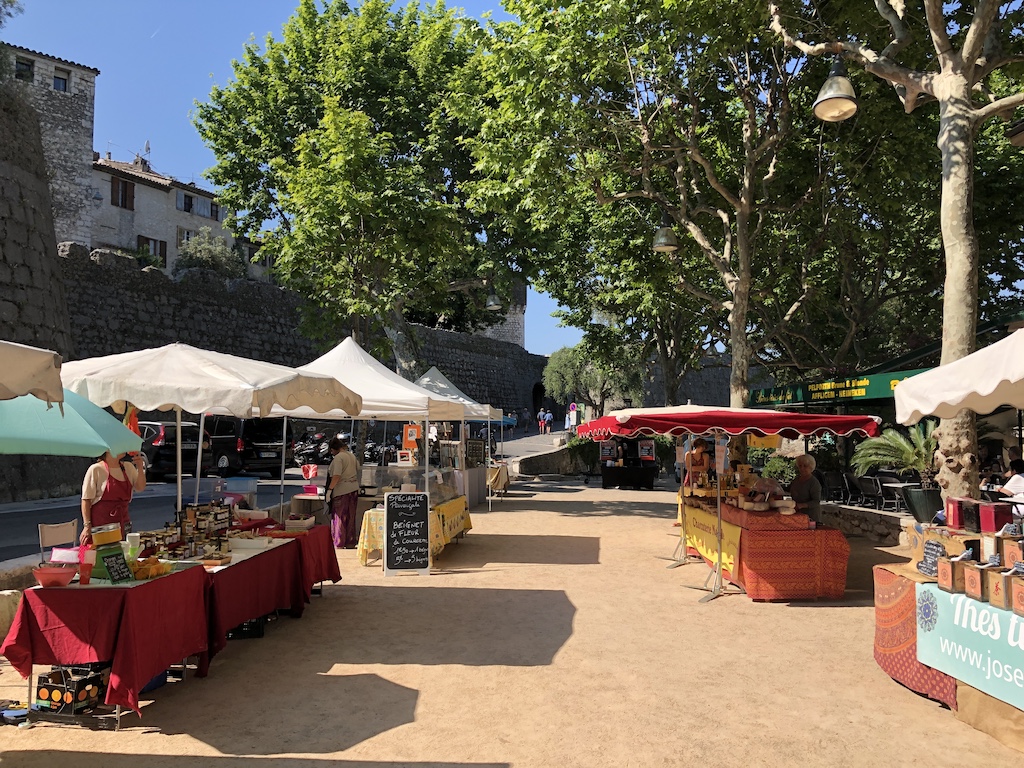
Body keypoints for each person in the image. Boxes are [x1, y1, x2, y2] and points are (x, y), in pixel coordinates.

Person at [80, 451, 147, 544]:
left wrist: (140, 467)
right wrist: (87, 525)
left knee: (123, 554)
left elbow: (140, 487)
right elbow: (86, 500)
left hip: (123, 522)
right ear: (108, 450)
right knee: (104, 554)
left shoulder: (128, 467)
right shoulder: (96, 469)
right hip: (102, 525)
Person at [326, 436, 360, 549]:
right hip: (354, 489)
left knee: (339, 517)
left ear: (333, 449)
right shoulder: (351, 455)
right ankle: (350, 541)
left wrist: (329, 490)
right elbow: (357, 469)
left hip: (341, 490)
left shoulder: (338, 458)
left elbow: (336, 476)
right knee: (351, 517)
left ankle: (339, 542)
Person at [790, 454, 823, 524]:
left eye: (805, 466)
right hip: (798, 517)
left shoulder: (814, 483)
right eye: (800, 466)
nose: (802, 468)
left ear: (811, 467)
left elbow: (816, 501)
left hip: (811, 518)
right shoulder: (796, 480)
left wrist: (800, 505)